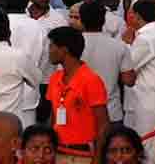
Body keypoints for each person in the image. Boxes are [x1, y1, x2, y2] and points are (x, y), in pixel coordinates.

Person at [45, 26, 109, 162]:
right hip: (58, 152)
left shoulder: (91, 80)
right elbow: (53, 117)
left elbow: (103, 124)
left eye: (52, 46)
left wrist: (97, 159)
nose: (49, 51)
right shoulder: (55, 78)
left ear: (64, 50)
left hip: (83, 155)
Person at [125, 1, 155, 164]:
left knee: (147, 143)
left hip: (150, 98)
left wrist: (125, 43)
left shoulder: (147, 38)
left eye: (131, 13)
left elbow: (127, 65)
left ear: (137, 16)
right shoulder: (154, 34)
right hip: (149, 96)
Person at [79, 2, 133, 127]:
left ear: (81, 20)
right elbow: (129, 80)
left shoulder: (71, 46)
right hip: (111, 112)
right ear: (103, 20)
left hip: (80, 111)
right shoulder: (119, 46)